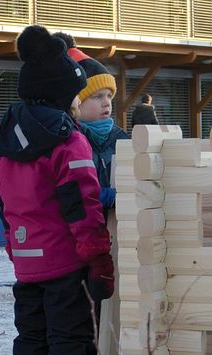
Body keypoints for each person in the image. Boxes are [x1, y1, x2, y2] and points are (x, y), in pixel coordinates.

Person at [0, 25, 114, 355]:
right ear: (64, 94)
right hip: (66, 261)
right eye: (80, 97)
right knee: (71, 338)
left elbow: (5, 206)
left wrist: (15, 250)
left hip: (27, 261)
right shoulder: (68, 140)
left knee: (31, 336)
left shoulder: (8, 139)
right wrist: (99, 258)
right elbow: (82, 205)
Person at [54, 32, 129, 217]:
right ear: (75, 101)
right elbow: (72, 191)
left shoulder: (122, 139)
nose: (106, 103)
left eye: (109, 96)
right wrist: (110, 197)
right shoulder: (68, 141)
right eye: (97, 96)